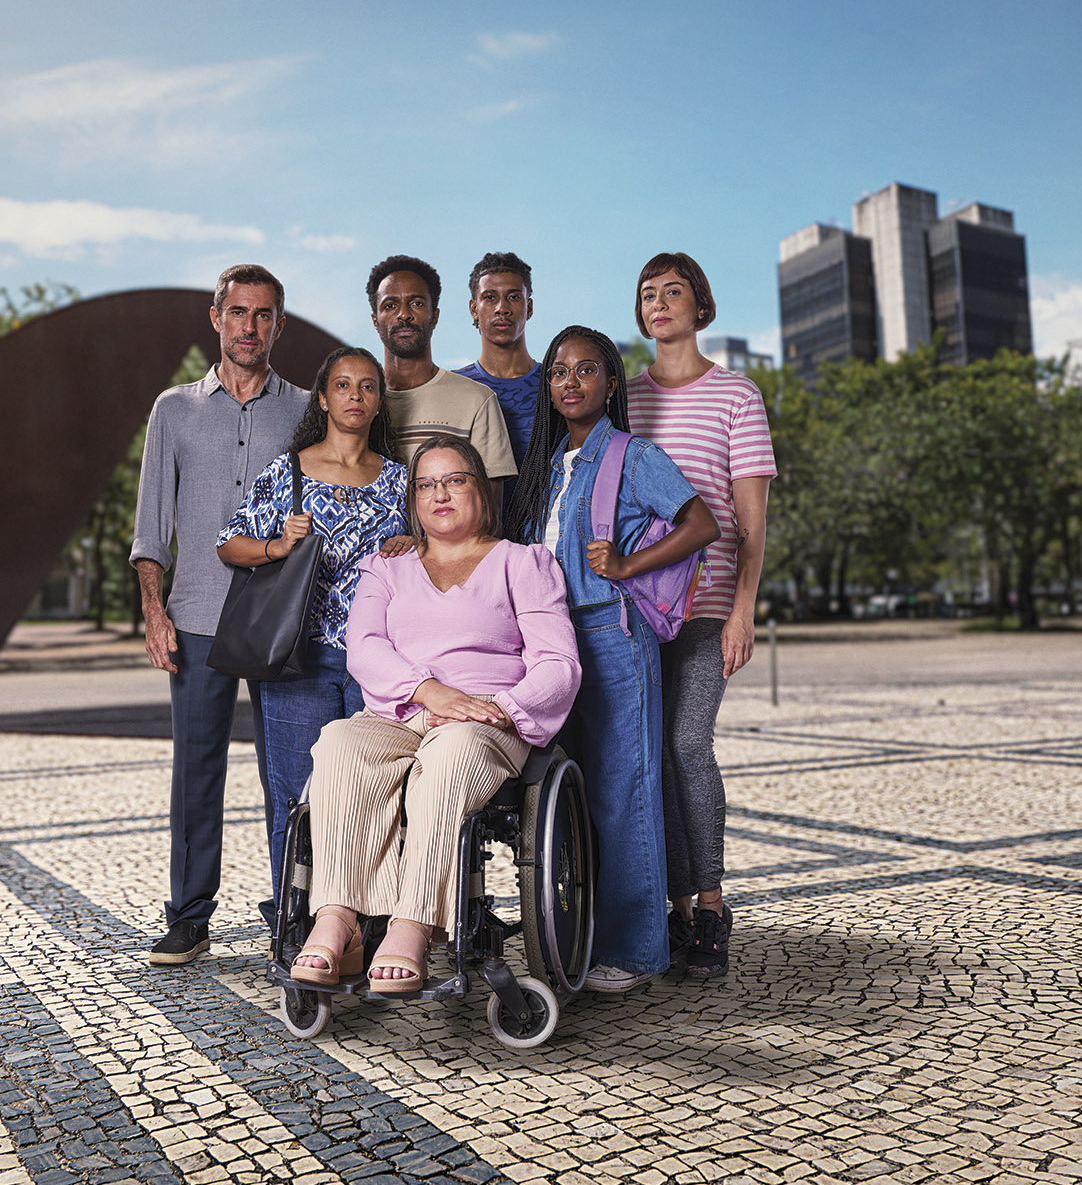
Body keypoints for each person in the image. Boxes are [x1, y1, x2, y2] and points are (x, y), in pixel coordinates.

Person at [290, 437, 581, 992]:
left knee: (450, 756)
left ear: (482, 490)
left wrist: (502, 708)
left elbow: (559, 663)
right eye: (425, 484)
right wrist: (428, 691)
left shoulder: (522, 563)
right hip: (404, 710)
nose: (439, 494)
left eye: (455, 480)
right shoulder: (386, 567)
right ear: (413, 500)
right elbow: (365, 647)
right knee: (338, 745)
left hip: (486, 719)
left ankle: (414, 923)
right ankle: (339, 919)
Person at [503, 325, 719, 994]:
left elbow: (701, 522)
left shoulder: (632, 453)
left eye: (586, 370)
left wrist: (626, 563)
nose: (570, 382)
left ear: (611, 382)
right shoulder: (544, 466)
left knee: (622, 792)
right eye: (559, 372)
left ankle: (633, 947)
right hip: (547, 645)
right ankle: (573, 933)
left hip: (611, 634)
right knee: (558, 795)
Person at [131, 264, 308, 966]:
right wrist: (154, 606)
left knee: (289, 773)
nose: (250, 327)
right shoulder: (172, 410)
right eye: (238, 312)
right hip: (198, 613)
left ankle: (290, 912)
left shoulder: (304, 410)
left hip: (281, 617)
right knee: (196, 771)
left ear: (278, 325)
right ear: (216, 318)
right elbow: (152, 525)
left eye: (264, 315)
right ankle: (189, 915)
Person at [623, 252, 776, 978]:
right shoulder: (626, 397)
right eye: (648, 294)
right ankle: (675, 908)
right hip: (634, 610)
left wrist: (744, 609)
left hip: (708, 608)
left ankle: (711, 904)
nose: (659, 303)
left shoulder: (737, 397)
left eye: (673, 291)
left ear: (700, 305)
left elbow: (749, 522)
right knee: (646, 754)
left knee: (687, 744)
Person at [216, 346, 409, 918]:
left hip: (379, 662)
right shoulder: (289, 471)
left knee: (376, 798)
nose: (356, 396)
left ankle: (364, 920)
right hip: (300, 658)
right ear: (322, 398)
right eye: (344, 386)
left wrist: (413, 547)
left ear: (379, 402)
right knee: (297, 794)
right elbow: (229, 543)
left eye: (368, 387)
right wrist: (277, 545)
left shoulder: (401, 482)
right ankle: (293, 916)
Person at [367, 255, 517, 495]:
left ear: (435, 316)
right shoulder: (357, 406)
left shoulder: (477, 401)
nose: (404, 314)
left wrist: (424, 536)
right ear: (375, 320)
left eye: (416, 303)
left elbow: (490, 514)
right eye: (390, 305)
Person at [454, 252, 541, 478]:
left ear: (528, 307)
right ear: (474, 309)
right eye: (490, 298)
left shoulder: (556, 385)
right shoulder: (454, 387)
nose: (502, 308)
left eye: (513, 297)